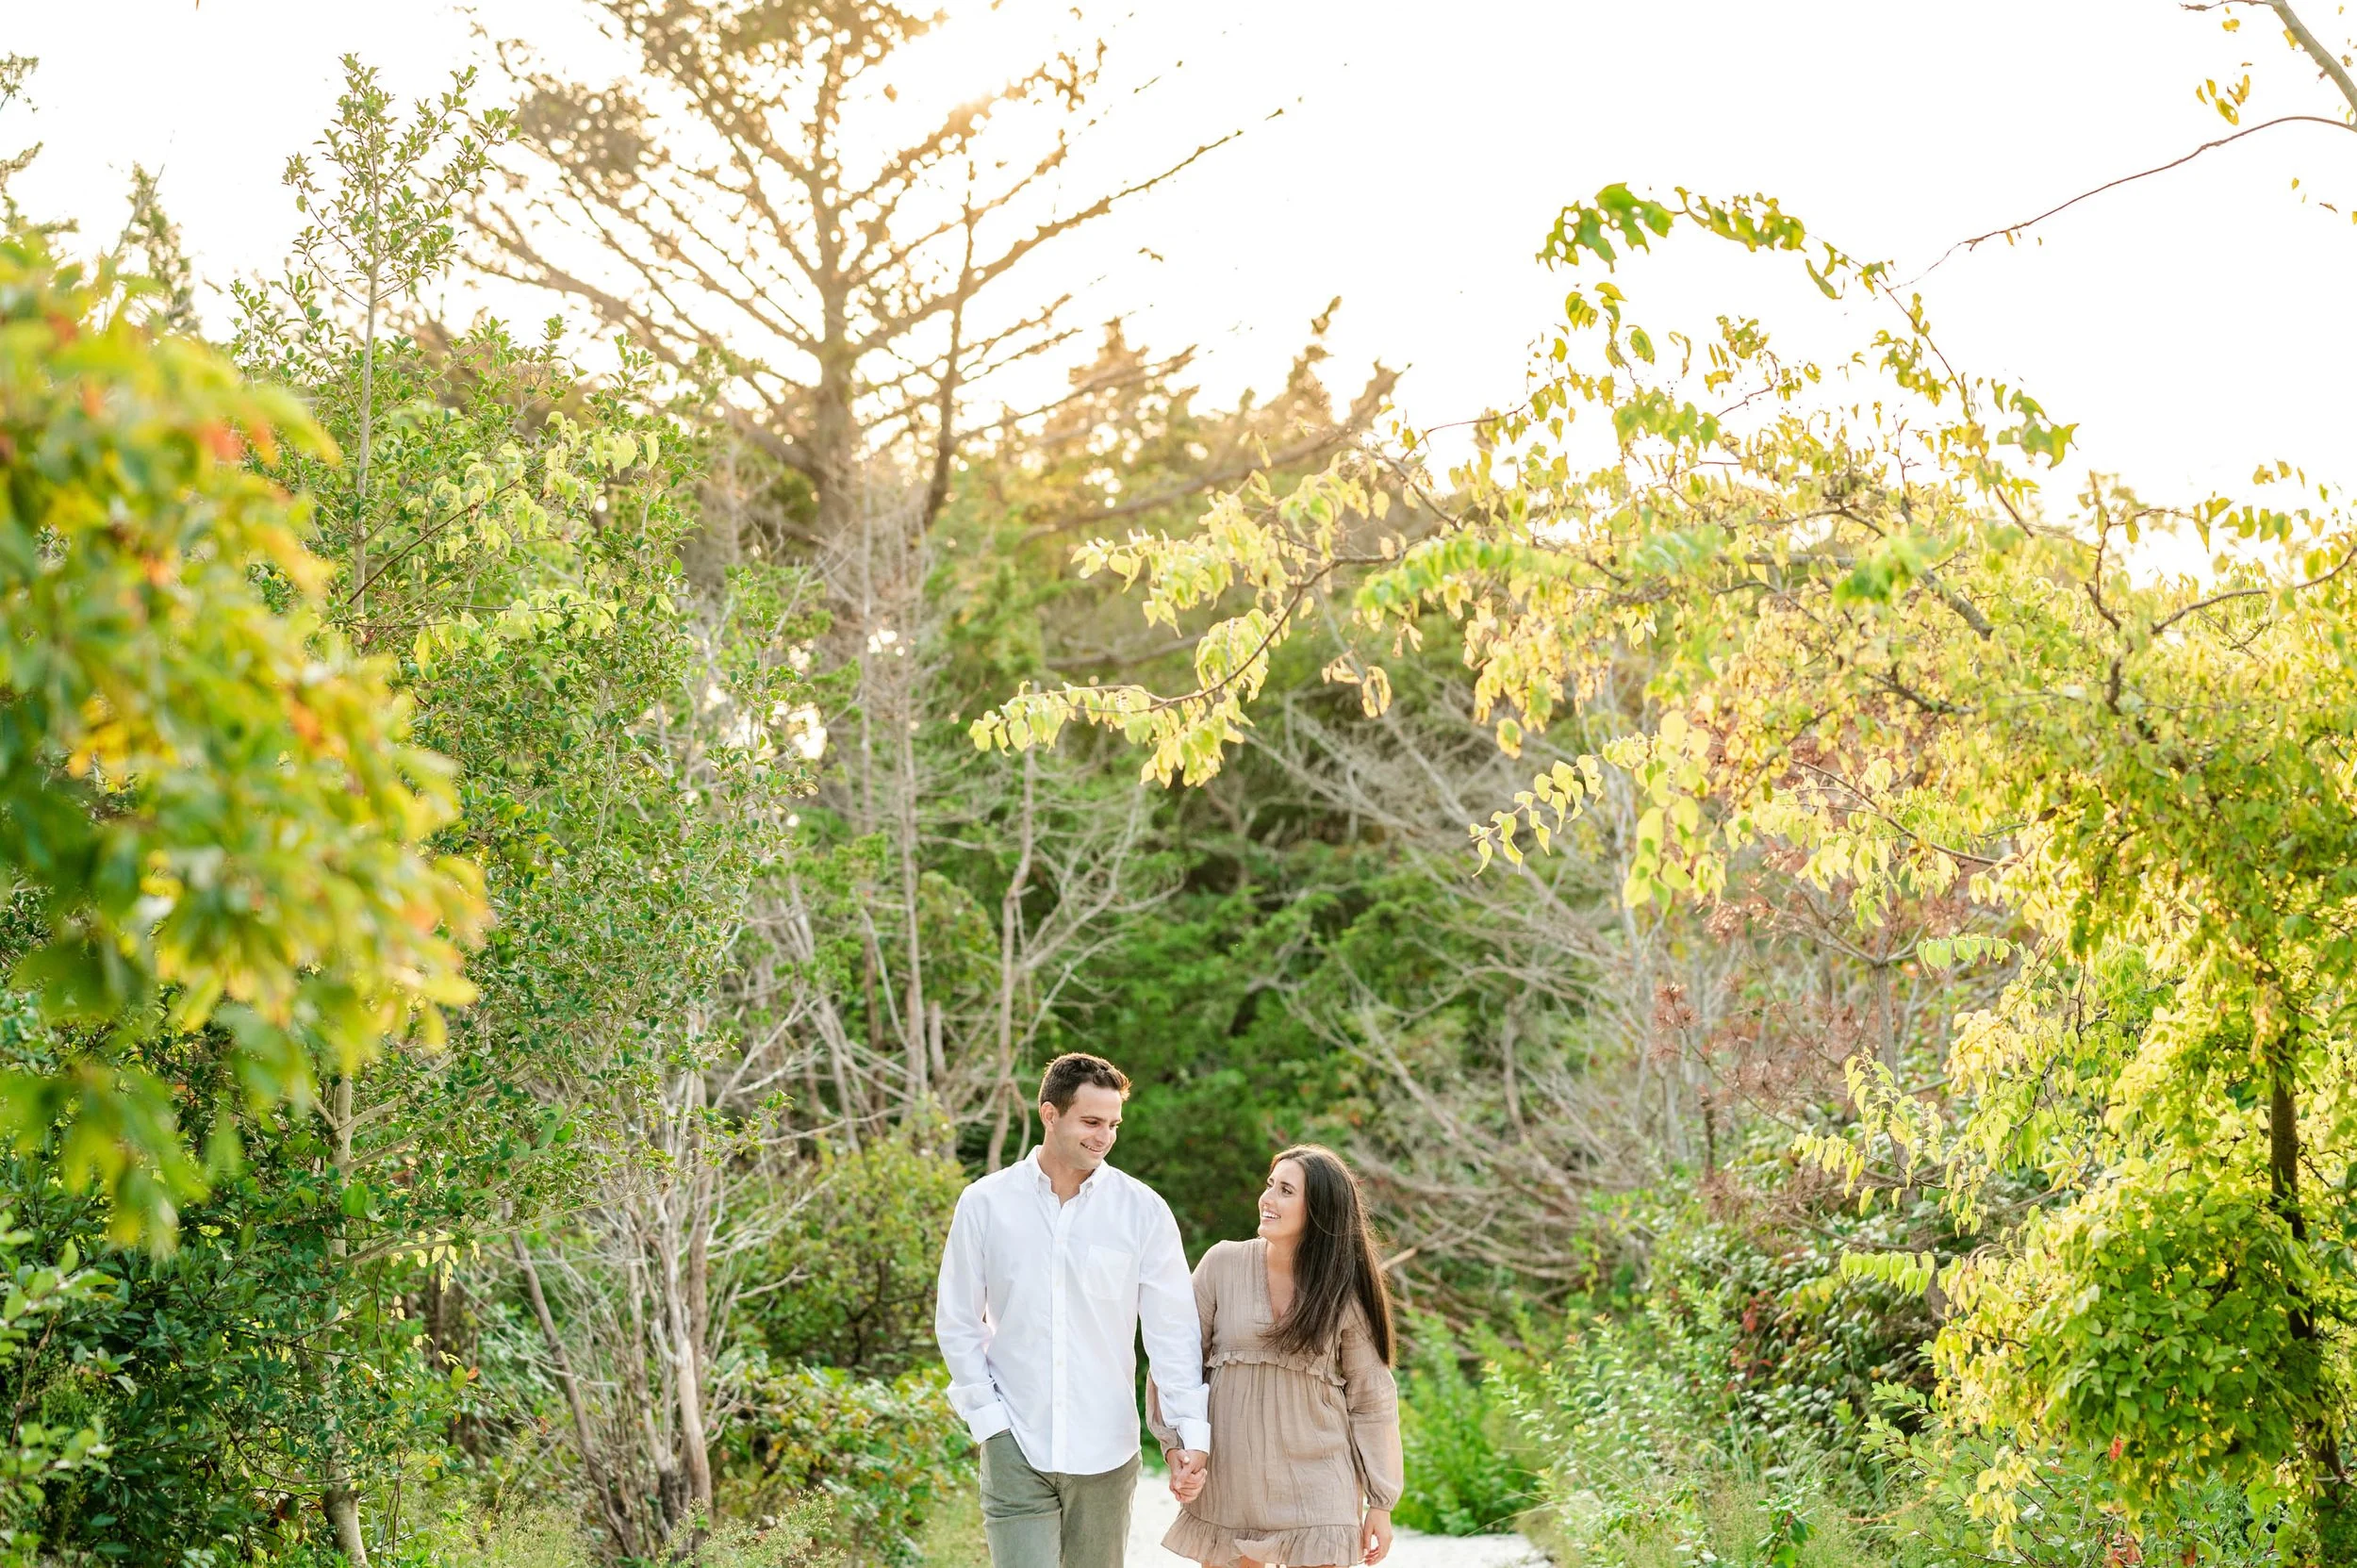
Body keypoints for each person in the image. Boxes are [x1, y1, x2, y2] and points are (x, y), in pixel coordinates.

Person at [935, 1052, 1211, 1568]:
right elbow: (957, 1320)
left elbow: (1172, 1332)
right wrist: (989, 1423)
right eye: (1090, 1121)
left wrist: (1187, 1431)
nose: (1104, 1136)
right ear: (1049, 1114)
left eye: (1112, 1124)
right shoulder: (984, 1204)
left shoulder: (1143, 1211)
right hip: (1015, 1440)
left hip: (1107, 1449)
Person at [1148, 1144, 1403, 1568]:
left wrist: (1381, 1502)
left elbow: (1372, 1398)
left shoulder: (1344, 1289)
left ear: (1319, 1209)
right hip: (1232, 1476)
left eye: (1286, 1190)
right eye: (1270, 1185)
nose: (1267, 1199)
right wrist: (1177, 1443)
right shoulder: (1222, 1264)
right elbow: (1176, 1360)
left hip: (1320, 1480)